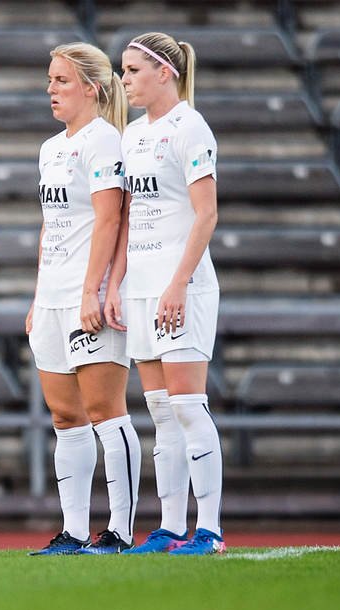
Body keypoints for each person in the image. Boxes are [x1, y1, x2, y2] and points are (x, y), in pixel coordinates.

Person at [25, 41, 139, 556]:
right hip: (52, 298)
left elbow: (111, 219)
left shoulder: (104, 142)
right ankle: (72, 532)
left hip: (87, 296)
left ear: (91, 88)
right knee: (65, 417)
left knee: (104, 411)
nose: (51, 89)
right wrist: (36, 298)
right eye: (50, 80)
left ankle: (118, 531)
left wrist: (95, 291)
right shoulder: (51, 149)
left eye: (61, 80)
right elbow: (50, 229)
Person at [118, 31, 226, 555]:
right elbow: (127, 215)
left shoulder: (191, 127)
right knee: (161, 411)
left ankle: (210, 530)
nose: (125, 80)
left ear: (167, 73)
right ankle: (170, 527)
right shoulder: (133, 135)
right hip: (141, 287)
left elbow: (206, 214)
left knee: (187, 404)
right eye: (122, 70)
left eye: (134, 70)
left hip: (180, 286)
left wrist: (178, 283)